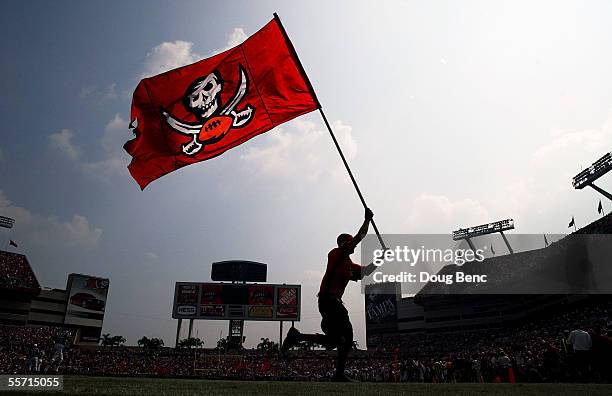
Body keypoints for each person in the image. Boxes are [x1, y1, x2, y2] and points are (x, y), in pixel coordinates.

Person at [281, 208, 378, 381]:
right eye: (349, 243)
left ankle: (297, 337)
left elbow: (366, 272)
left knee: (335, 340)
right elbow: (359, 237)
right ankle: (339, 374)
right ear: (344, 243)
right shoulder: (335, 253)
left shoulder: (349, 265)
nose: (352, 246)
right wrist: (367, 220)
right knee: (347, 335)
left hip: (332, 302)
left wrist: (380, 259)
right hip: (329, 301)